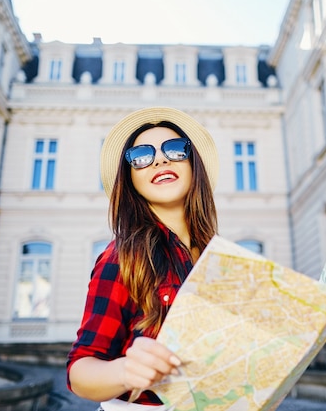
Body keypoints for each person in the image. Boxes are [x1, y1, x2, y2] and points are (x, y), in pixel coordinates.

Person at [67, 107, 219, 410]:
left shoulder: (217, 259)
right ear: (131, 179)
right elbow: (80, 372)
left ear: (194, 165)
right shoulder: (122, 256)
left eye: (175, 149)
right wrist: (126, 371)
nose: (160, 159)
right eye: (141, 156)